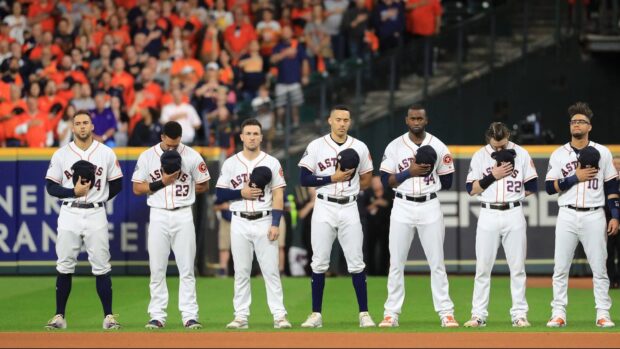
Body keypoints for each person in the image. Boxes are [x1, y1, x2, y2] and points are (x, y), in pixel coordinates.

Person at [378, 103, 458, 328]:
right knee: (396, 263)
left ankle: (446, 313)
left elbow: (448, 182)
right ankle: (391, 314)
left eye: (419, 119)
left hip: (429, 205)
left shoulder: (439, 146)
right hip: (402, 205)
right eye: (412, 119)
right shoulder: (395, 146)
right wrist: (409, 173)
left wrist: (428, 175)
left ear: (426, 120)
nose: (416, 122)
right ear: (406, 120)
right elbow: (385, 181)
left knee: (437, 263)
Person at [297, 105, 376, 328]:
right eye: (338, 119)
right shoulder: (316, 146)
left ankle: (364, 313)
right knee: (319, 261)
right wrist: (333, 178)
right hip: (324, 206)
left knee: (356, 261)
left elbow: (368, 177)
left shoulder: (359, 146)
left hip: (350, 206)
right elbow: (304, 178)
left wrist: (354, 184)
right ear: (329, 121)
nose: (342, 123)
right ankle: (315, 314)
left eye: (346, 120)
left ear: (350, 122)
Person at [44, 110, 123, 330]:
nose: (82, 127)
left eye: (85, 123)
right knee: (65, 264)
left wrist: (100, 197)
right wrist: (72, 193)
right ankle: (59, 316)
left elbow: (117, 183)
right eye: (77, 123)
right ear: (72, 127)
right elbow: (51, 186)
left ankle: (108, 317)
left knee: (101, 265)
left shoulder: (106, 152)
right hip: (70, 211)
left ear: (92, 126)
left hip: (96, 212)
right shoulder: (61, 154)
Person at [545, 102, 619, 328]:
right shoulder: (559, 154)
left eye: (581, 121)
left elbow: (611, 188)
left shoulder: (603, 152)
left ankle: (603, 313)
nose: (576, 124)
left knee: (600, 267)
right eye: (573, 121)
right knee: (560, 268)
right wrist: (574, 177)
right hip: (567, 214)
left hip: (595, 215)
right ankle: (558, 313)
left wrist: (615, 215)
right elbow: (549, 187)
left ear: (589, 127)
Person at [132, 121, 210, 330]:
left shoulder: (191, 155)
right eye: (169, 144)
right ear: (162, 137)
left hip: (183, 214)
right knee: (157, 268)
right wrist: (162, 183)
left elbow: (204, 183)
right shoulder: (148, 156)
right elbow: (137, 188)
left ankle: (190, 316)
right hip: (158, 214)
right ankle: (157, 316)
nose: (173, 148)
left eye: (176, 144)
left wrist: (188, 183)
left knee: (186, 269)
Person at [215, 118, 292, 330]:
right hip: (239, 220)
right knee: (241, 270)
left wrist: (275, 223)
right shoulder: (231, 163)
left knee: (271, 271)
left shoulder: (272, 162)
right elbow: (219, 194)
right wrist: (241, 192)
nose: (252, 137)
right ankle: (240, 316)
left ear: (261, 136)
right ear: (241, 137)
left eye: (255, 133)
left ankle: (279, 315)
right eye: (248, 133)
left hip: (265, 219)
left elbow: (278, 195)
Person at [463, 122, 538, 328]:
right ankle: (478, 315)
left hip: (514, 212)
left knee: (517, 268)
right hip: (488, 213)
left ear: (508, 137)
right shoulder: (480, 156)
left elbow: (532, 186)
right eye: (495, 145)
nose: (499, 149)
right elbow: (471, 189)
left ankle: (519, 315)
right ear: (489, 139)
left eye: (502, 145)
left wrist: (514, 196)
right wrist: (492, 177)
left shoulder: (521, 153)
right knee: (483, 268)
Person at [607, 156, 620, 288]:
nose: (616, 166)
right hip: (607, 221)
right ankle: (611, 280)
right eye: (614, 164)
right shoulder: (607, 181)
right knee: (608, 253)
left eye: (618, 164)